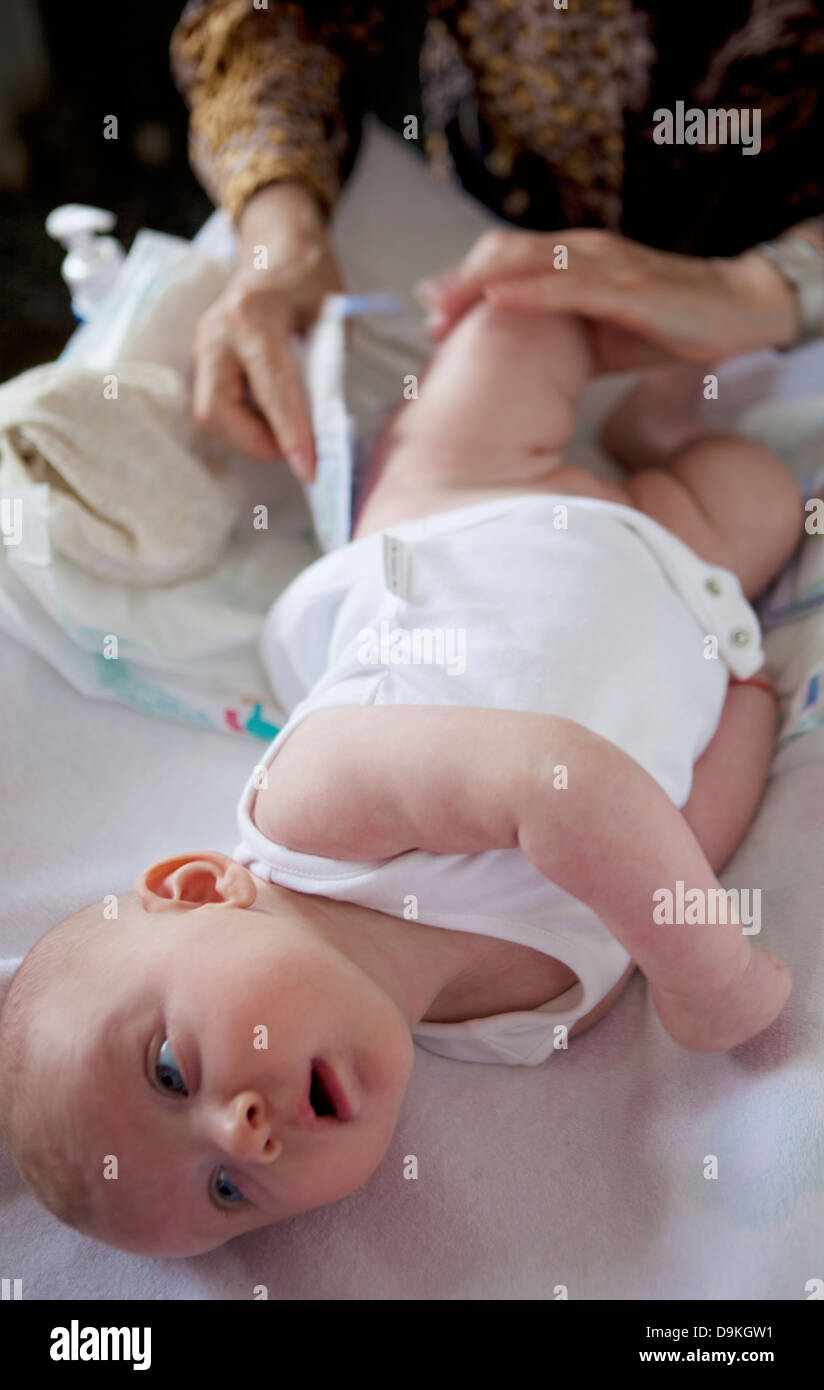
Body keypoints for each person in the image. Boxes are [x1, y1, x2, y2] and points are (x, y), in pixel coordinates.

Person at [0, 295, 800, 1257]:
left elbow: (564, 782)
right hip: (686, 580)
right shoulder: (540, 1013)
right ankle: (660, 427)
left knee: (520, 327)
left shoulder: (314, 815)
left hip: (472, 511)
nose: (242, 1132)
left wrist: (708, 973)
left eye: (169, 1071)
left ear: (201, 889)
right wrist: (747, 703)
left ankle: (656, 297)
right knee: (764, 493)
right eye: (226, 1191)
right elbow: (678, 837)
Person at [168, 0, 824, 479]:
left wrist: (770, 284)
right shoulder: (604, 507)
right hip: (508, 196)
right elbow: (268, 14)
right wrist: (281, 233)